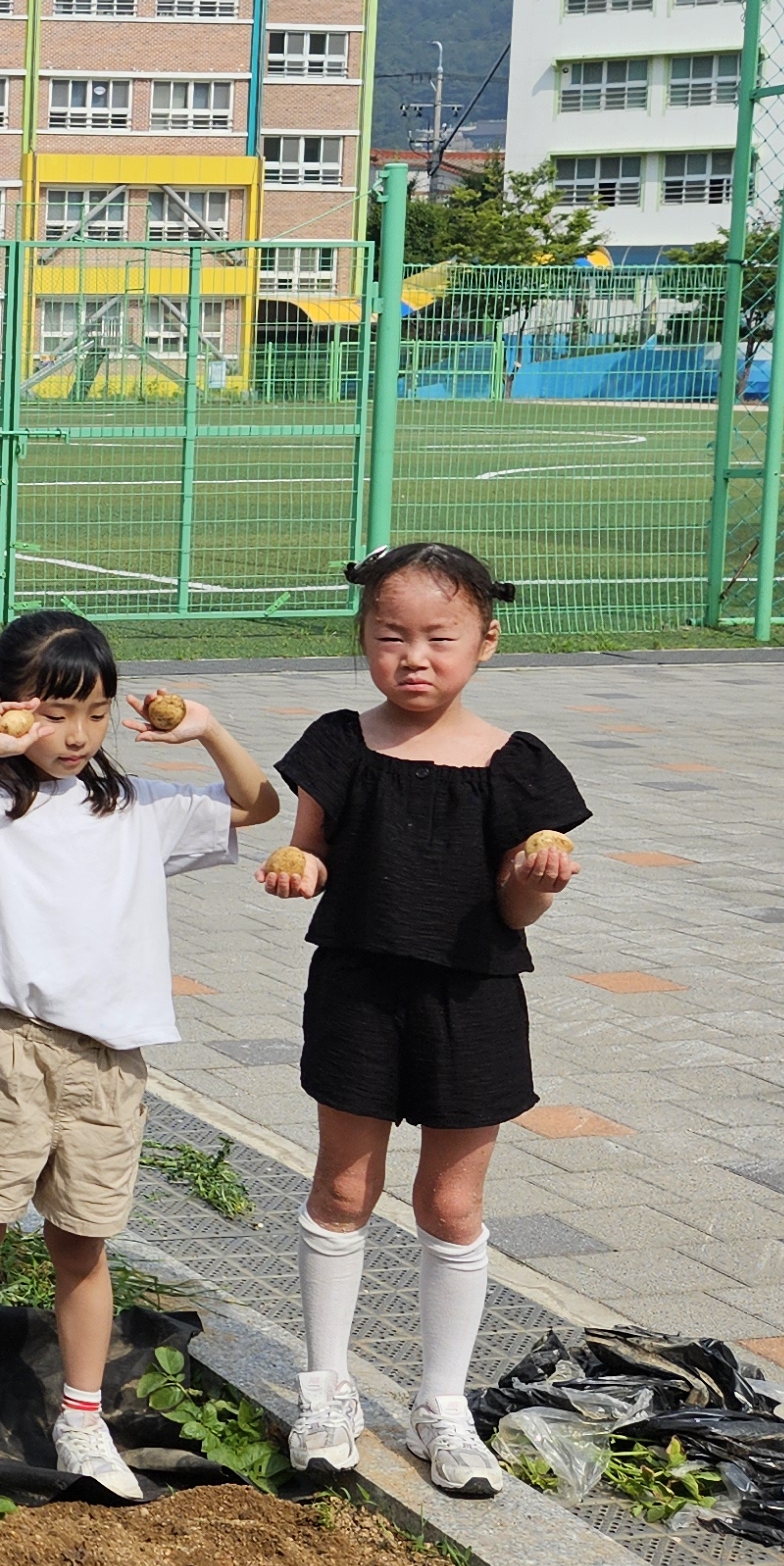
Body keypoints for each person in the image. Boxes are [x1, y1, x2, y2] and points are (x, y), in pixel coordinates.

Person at [0, 609, 277, 1499]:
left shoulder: (134, 811)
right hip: (5, 1054)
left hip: (107, 1065)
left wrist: (209, 730)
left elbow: (258, 804)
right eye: (54, 713)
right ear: (7, 711)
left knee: (84, 1245)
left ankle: (83, 1417)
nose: (76, 734)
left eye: (96, 712)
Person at [263, 541, 589, 1498]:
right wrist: (299, 869)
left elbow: (517, 912)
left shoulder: (518, 768)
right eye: (389, 636)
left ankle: (441, 1404)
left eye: (438, 638)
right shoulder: (338, 743)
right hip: (359, 989)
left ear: (486, 641)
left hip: (473, 998)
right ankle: (326, 1393)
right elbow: (310, 851)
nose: (414, 656)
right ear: (363, 639)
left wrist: (533, 883)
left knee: (450, 1206)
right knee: (344, 1189)